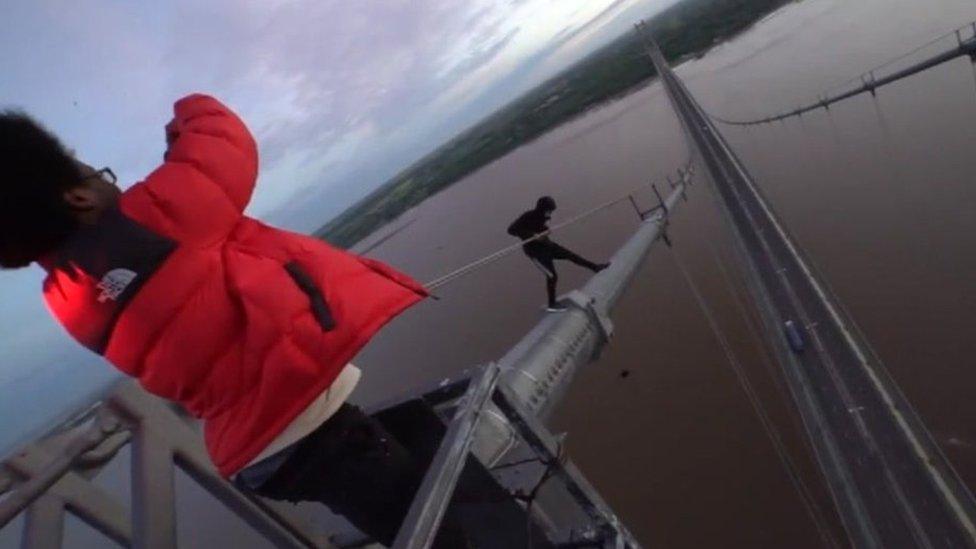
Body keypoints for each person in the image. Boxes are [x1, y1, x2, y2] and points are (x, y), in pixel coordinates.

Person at [0, 94, 465, 547]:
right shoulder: (152, 216)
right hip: (319, 431)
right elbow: (223, 144)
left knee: (408, 516)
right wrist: (187, 111)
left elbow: (169, 283)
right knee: (443, 531)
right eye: (97, 173)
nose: (111, 182)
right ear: (79, 197)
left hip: (265, 454)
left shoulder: (66, 302)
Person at [507, 196, 609, 312]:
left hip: (547, 245)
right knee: (552, 276)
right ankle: (551, 304)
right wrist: (531, 235)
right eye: (548, 210)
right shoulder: (528, 216)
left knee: (572, 256)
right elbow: (511, 230)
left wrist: (545, 230)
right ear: (542, 209)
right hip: (535, 252)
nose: (550, 213)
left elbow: (540, 226)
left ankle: (595, 267)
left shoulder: (543, 216)